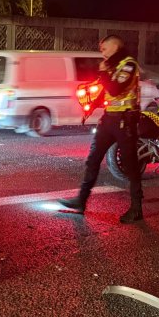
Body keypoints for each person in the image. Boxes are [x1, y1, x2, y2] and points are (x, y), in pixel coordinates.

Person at [59, 34, 144, 223]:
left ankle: (136, 208)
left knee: (130, 165)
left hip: (125, 121)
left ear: (115, 47)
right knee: (93, 159)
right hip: (109, 119)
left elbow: (115, 89)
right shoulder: (113, 66)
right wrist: (91, 108)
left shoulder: (129, 65)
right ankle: (81, 201)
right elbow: (106, 91)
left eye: (104, 49)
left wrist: (104, 72)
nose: (102, 53)